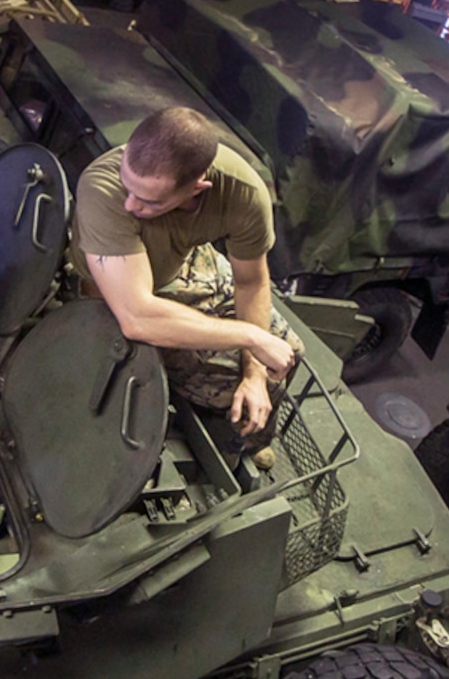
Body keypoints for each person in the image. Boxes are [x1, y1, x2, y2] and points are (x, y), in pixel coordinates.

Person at [71, 107, 300, 464]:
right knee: (225, 381)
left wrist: (253, 373)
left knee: (286, 354)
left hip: (182, 264)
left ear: (197, 187)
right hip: (113, 293)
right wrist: (252, 338)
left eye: (150, 201)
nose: (131, 205)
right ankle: (211, 427)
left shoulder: (243, 193)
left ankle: (243, 439)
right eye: (128, 186)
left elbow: (252, 281)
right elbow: (136, 316)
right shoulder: (101, 187)